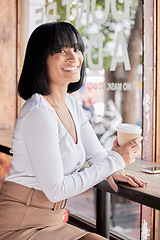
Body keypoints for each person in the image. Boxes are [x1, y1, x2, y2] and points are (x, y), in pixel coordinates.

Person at [0, 22, 147, 240]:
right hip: (20, 224)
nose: (73, 57)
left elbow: (96, 154)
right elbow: (56, 189)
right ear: (41, 59)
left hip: (52, 220)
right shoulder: (38, 112)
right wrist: (114, 160)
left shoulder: (73, 105)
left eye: (77, 49)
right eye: (61, 50)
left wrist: (113, 165)